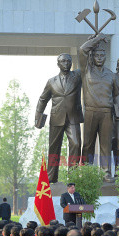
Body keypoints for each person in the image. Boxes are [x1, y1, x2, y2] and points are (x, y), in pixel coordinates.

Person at [78, 33, 119, 183]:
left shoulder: (111, 75)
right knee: (88, 144)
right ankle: (87, 171)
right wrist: (96, 39)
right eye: (96, 55)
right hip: (90, 111)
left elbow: (116, 95)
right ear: (92, 56)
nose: (99, 57)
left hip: (106, 113)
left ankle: (106, 173)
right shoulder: (86, 70)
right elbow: (82, 50)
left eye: (102, 55)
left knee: (106, 145)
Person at [35, 53, 84, 184]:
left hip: (73, 117)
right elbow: (43, 99)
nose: (66, 63)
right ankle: (51, 178)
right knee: (54, 148)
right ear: (58, 64)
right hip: (56, 117)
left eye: (68, 61)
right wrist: (37, 116)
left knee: (76, 143)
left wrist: (93, 42)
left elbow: (85, 59)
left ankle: (72, 178)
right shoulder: (51, 81)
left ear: (71, 63)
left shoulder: (77, 76)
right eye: (63, 61)